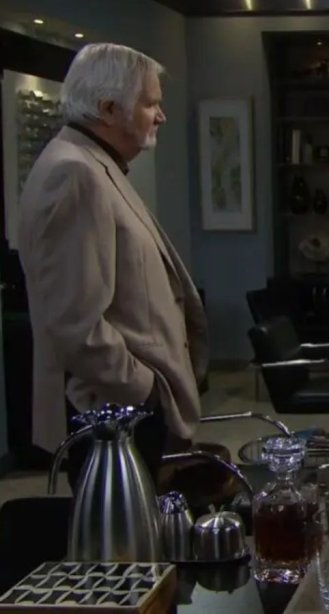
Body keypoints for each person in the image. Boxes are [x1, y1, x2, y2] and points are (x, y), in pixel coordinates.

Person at [17, 43, 209, 491]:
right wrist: (146, 390)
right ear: (108, 109)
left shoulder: (96, 164)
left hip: (124, 412)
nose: (161, 116)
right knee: (123, 536)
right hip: (111, 417)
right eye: (151, 103)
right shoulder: (74, 174)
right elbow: (75, 324)